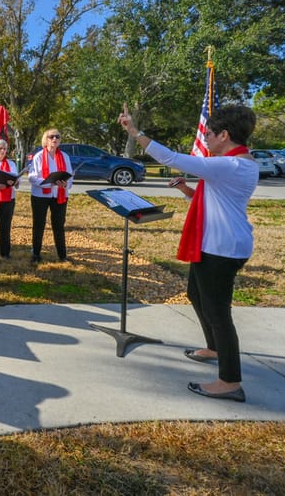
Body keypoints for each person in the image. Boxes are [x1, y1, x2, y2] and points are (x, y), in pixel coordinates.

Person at [118, 103, 257, 403]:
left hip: (221, 247)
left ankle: (230, 381)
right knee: (196, 294)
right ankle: (213, 348)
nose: (205, 138)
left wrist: (134, 132)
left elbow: (170, 157)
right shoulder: (234, 164)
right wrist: (185, 190)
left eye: (209, 133)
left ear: (224, 135)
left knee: (218, 313)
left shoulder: (231, 165)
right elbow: (213, 200)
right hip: (214, 243)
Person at [27, 129, 74, 262]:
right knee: (39, 224)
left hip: (59, 194)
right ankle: (36, 254)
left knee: (59, 225)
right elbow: (32, 177)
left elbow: (70, 175)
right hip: (40, 196)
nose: (54, 139)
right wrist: (49, 183)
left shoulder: (65, 156)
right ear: (45, 139)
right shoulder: (38, 156)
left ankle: (62, 256)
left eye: (57, 137)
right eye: (51, 137)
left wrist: (65, 184)